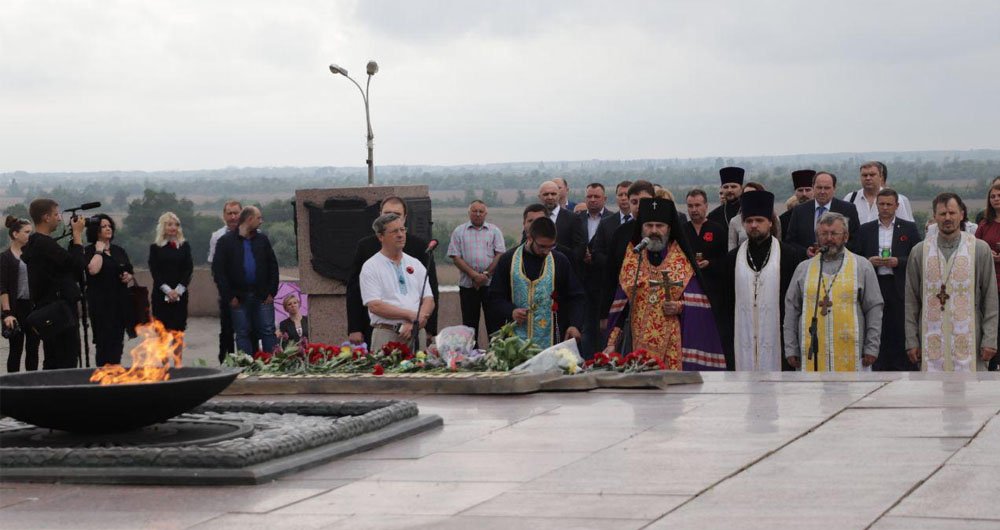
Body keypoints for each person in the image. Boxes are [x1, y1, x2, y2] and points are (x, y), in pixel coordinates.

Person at [604, 197, 727, 370]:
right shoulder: (633, 260)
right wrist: (612, 343)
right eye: (649, 225)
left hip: (672, 344)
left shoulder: (681, 261)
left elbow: (699, 306)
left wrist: (679, 307)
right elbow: (624, 307)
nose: (654, 231)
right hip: (637, 344)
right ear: (641, 228)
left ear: (669, 228)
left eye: (659, 226)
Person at [906, 193, 998, 372]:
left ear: (962, 214)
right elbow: (911, 301)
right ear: (934, 216)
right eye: (942, 214)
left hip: (971, 341)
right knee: (932, 396)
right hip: (929, 339)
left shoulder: (979, 249)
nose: (947, 218)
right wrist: (911, 340)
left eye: (952, 213)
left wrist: (990, 339)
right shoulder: (919, 251)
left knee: (972, 396)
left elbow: (990, 298)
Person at [784, 212, 882, 372]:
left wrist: (871, 347)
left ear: (845, 236)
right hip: (811, 353)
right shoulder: (804, 268)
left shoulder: (862, 266)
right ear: (817, 236)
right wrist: (791, 347)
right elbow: (791, 309)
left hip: (853, 353)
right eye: (824, 234)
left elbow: (874, 308)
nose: (829, 238)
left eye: (834, 233)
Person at [724, 191, 805, 371]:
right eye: (749, 221)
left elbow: (796, 303)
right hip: (742, 337)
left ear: (770, 222)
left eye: (759, 220)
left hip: (779, 338)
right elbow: (726, 303)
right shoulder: (732, 258)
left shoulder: (789, 256)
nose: (754, 225)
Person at [346, 197, 439, 347]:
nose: (400, 235)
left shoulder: (418, 255)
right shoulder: (369, 259)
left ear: (405, 218)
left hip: (417, 331)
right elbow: (363, 297)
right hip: (386, 332)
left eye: (402, 229)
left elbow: (429, 295)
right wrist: (354, 327)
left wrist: (421, 323)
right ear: (381, 236)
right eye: (395, 231)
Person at [489, 216, 585, 349]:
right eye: (542, 246)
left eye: (550, 246)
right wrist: (511, 311)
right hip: (515, 341)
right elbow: (494, 297)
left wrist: (574, 324)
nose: (546, 251)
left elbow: (576, 296)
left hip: (552, 340)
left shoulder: (560, 261)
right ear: (529, 238)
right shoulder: (508, 260)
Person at [854, 189, 922, 371]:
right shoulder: (865, 229)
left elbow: (917, 257)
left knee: (899, 328)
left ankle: (903, 366)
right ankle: (877, 365)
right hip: (875, 284)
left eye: (888, 204)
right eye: (881, 204)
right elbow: (856, 256)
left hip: (898, 287)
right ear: (877, 205)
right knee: (877, 327)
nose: (884, 208)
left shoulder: (908, 228)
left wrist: (898, 261)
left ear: (897, 206)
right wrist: (869, 261)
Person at [20, 198, 87, 369]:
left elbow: (66, 264)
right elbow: (77, 267)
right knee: (65, 361)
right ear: (46, 217)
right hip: (59, 313)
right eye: (56, 214)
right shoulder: (45, 244)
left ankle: (50, 392)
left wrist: (74, 241)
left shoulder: (36, 244)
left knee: (54, 360)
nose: (59, 218)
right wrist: (78, 235)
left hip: (49, 311)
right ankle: (60, 394)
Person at [212, 205, 279, 355]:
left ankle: (272, 365)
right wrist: (229, 296)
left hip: (262, 296)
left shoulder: (262, 239)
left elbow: (273, 266)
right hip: (238, 296)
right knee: (242, 333)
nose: (261, 221)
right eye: (258, 218)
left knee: (268, 330)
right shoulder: (225, 241)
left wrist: (271, 292)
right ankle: (246, 367)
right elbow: (219, 272)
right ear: (249, 219)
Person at [447, 199, 505, 346]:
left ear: (486, 213)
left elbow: (500, 255)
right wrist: (474, 275)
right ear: (469, 213)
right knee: (469, 325)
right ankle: (472, 356)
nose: (478, 214)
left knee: (494, 323)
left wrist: (485, 275)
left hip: (491, 285)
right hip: (468, 285)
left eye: (481, 211)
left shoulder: (494, 231)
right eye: (474, 211)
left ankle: (496, 355)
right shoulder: (459, 231)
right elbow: (455, 256)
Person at [601, 180, 656, 320]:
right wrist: (604, 314)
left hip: (658, 304)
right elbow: (610, 274)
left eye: (643, 201)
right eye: (634, 202)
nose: (639, 206)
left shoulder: (666, 230)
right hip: (625, 305)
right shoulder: (621, 232)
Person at [84, 214, 135, 366]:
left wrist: (128, 276)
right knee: (103, 345)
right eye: (103, 226)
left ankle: (115, 377)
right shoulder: (90, 251)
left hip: (119, 304)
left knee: (117, 344)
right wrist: (99, 251)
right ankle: (103, 379)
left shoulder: (118, 250)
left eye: (109, 226)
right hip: (101, 305)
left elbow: (129, 269)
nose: (108, 229)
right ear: (96, 230)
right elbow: (92, 270)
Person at [784, 171, 861, 257]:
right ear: (813, 187)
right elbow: (790, 241)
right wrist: (805, 252)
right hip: (809, 264)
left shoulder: (848, 209)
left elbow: (856, 241)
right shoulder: (800, 210)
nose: (822, 192)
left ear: (834, 188)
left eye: (827, 188)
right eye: (819, 188)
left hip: (840, 263)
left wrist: (833, 251)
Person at [1, 216, 39, 372]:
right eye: (27, 232)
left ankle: (32, 387)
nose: (30, 235)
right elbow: (2, 287)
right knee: (15, 350)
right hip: (15, 308)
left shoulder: (34, 255)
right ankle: (12, 387)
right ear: (15, 234)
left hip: (34, 307)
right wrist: (7, 313)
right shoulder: (5, 258)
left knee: (33, 349)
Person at [208, 200, 242, 362]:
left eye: (236, 213)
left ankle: (249, 362)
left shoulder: (255, 234)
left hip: (249, 292)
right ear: (224, 216)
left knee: (249, 331)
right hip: (227, 292)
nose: (233, 216)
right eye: (230, 213)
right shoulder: (217, 236)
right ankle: (226, 364)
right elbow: (215, 268)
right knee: (227, 331)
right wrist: (227, 293)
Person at [149, 212, 193, 333]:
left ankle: (177, 353)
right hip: (160, 295)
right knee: (161, 332)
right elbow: (155, 271)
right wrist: (168, 291)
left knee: (178, 332)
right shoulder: (155, 247)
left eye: (176, 225)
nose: (173, 227)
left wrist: (178, 291)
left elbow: (188, 269)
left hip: (180, 295)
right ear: (163, 227)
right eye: (169, 224)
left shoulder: (185, 246)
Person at [683, 189, 727, 307]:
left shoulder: (718, 229)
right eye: (690, 206)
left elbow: (725, 259)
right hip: (688, 288)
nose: (694, 210)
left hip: (714, 289)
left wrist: (710, 263)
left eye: (697, 205)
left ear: (706, 206)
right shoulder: (682, 231)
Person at [975, 181, 1000, 370]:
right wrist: (986, 254)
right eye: (992, 196)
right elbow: (973, 248)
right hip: (990, 284)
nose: (996, 199)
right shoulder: (984, 224)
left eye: (999, 196)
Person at [538, 180, 586, 273]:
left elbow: (579, 249)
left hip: (564, 271)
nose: (550, 197)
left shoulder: (573, 218)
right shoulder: (534, 218)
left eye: (553, 194)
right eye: (546, 194)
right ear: (539, 197)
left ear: (559, 195)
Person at [845, 161, 914, 225]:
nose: (868, 178)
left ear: (881, 177)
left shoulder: (894, 199)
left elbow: (905, 226)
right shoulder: (850, 198)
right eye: (864, 175)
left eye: (872, 175)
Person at [727, 182, 782, 251]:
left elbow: (778, 243)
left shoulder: (775, 218)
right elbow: (732, 246)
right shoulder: (734, 221)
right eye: (746, 195)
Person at [779, 170, 816, 240]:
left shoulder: (824, 213)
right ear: (795, 192)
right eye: (800, 190)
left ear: (814, 190)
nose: (804, 194)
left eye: (808, 190)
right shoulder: (784, 219)